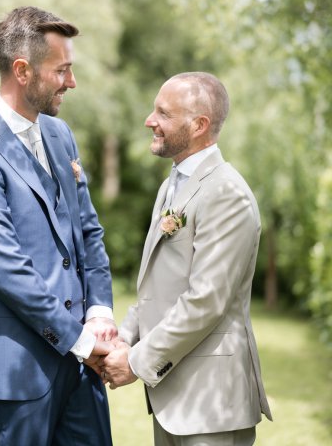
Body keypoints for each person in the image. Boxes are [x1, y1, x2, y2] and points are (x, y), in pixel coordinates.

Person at [0, 6, 117, 446]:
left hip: (82, 370)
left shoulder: (62, 136)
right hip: (20, 374)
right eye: (62, 70)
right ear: (22, 71)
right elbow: (7, 269)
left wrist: (99, 311)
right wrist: (79, 340)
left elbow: (88, 234)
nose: (72, 82)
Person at [101, 72, 272, 446]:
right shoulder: (172, 185)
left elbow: (205, 300)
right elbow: (159, 286)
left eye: (163, 113)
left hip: (211, 402)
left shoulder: (227, 193)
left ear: (199, 125)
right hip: (173, 397)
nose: (150, 120)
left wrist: (134, 362)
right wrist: (122, 338)